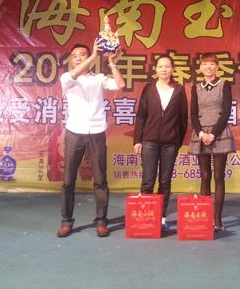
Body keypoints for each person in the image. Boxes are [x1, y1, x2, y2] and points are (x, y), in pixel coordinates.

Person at [58, 39, 125, 238]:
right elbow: (75, 73)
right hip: (74, 132)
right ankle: (66, 221)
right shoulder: (67, 78)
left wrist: (111, 62)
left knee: (100, 180)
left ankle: (101, 221)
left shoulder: (99, 79)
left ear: (88, 57)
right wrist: (95, 55)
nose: (78, 58)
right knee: (68, 180)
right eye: (74, 56)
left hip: (96, 132)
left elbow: (120, 84)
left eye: (82, 55)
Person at [133, 54, 188, 231]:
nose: (164, 69)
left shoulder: (179, 90)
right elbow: (141, 116)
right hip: (149, 141)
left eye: (167, 66)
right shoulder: (149, 88)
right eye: (161, 66)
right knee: (148, 181)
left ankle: (161, 217)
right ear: (155, 69)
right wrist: (138, 140)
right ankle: (144, 216)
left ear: (173, 69)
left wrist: (177, 140)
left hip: (170, 143)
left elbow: (183, 118)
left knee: (165, 182)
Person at [188, 53, 235, 233]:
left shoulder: (224, 84)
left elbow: (226, 112)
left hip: (219, 133)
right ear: (200, 67)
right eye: (205, 64)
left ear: (217, 67)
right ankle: (205, 216)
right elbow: (193, 113)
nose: (208, 67)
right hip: (201, 134)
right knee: (205, 176)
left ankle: (217, 219)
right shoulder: (196, 87)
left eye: (212, 64)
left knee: (218, 177)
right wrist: (201, 133)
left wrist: (213, 134)